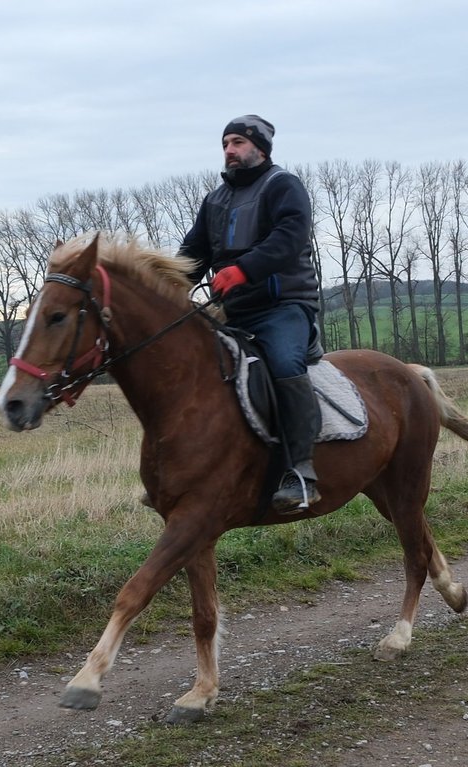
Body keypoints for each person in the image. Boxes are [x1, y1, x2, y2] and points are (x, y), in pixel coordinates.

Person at [178, 115, 323, 514]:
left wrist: (243, 270)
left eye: (238, 142)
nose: (229, 150)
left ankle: (301, 472)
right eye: (225, 143)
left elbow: (289, 238)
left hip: (283, 306)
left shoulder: (283, 185)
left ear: (260, 148)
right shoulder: (214, 200)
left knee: (284, 364)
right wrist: (163, 286)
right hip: (233, 312)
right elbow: (193, 255)